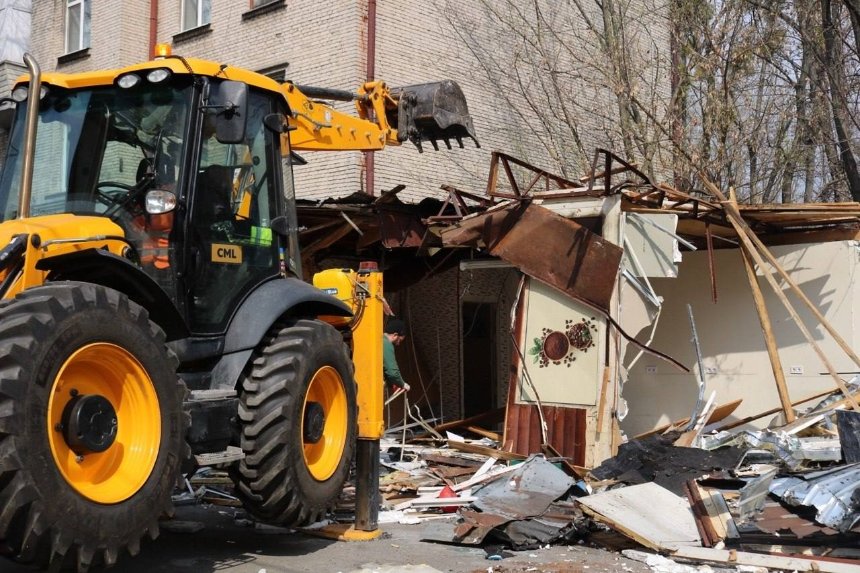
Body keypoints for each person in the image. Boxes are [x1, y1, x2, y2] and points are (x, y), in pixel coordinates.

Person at [383, 318, 411, 392]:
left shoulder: (380, 340)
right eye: (399, 340)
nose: (398, 344)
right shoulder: (386, 344)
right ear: (395, 335)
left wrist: (392, 383)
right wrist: (402, 384)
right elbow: (392, 372)